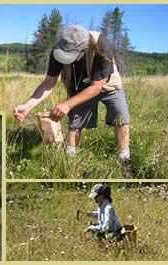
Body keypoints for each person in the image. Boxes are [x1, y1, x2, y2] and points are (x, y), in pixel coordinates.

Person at [13, 25, 132, 177]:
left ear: (86, 48)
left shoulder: (102, 46)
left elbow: (96, 88)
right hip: (78, 85)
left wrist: (67, 104)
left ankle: (125, 160)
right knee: (75, 121)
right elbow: (49, 83)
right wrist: (28, 105)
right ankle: (70, 160)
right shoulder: (59, 49)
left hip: (106, 83)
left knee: (120, 114)